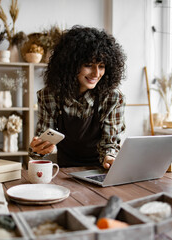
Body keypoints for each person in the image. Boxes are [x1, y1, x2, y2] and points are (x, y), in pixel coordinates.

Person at [29, 25, 126, 169]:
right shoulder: (49, 96)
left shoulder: (112, 97)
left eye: (102, 66)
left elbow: (109, 144)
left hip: (99, 169)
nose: (96, 73)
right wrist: (38, 149)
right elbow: (43, 143)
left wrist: (110, 157)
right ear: (70, 65)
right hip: (65, 170)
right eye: (88, 65)